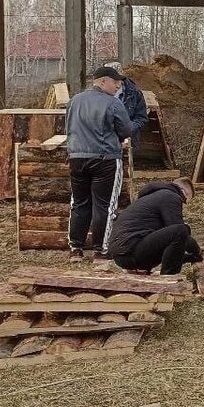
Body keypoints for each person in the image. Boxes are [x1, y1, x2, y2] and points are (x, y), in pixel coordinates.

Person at [66, 65, 138, 262]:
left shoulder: (74, 101)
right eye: (116, 83)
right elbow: (126, 131)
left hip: (77, 158)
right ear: (103, 81)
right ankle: (101, 250)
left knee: (79, 203)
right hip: (105, 159)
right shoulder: (113, 104)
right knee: (105, 205)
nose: (118, 87)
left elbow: (68, 128)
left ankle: (76, 249)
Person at [110, 177, 203, 275]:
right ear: (183, 192)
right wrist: (196, 250)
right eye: (185, 201)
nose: (182, 204)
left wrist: (188, 256)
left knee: (176, 233)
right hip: (131, 251)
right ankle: (169, 277)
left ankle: (148, 270)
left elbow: (167, 242)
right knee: (181, 230)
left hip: (121, 256)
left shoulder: (152, 197)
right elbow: (179, 231)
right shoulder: (170, 196)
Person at [106, 60, 148, 155]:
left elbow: (141, 118)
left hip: (127, 142)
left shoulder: (135, 93)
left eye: (117, 79)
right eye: (112, 79)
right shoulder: (98, 94)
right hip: (104, 143)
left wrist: (128, 129)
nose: (116, 83)